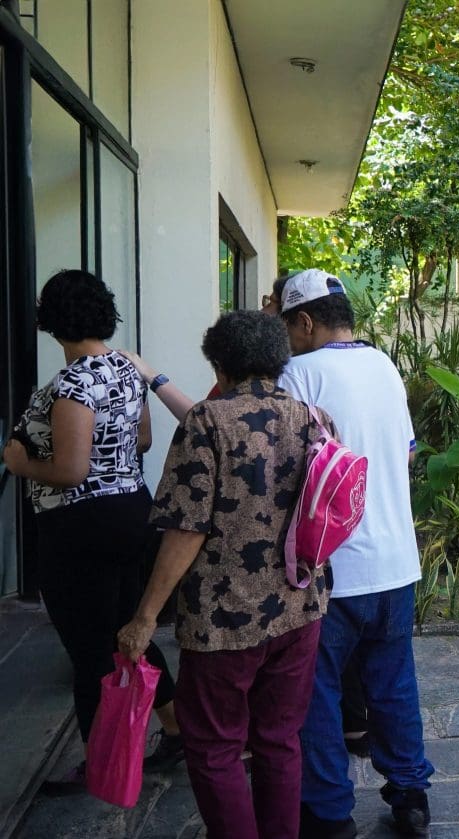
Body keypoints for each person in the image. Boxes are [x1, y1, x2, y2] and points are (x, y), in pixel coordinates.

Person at [117, 310, 332, 839]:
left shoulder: (207, 422)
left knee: (214, 746)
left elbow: (185, 529)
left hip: (223, 619)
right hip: (300, 607)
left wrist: (145, 617)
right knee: (279, 739)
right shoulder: (313, 417)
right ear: (278, 360)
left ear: (220, 363)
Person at [2, 269, 179, 788]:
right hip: (131, 512)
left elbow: (71, 472)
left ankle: (102, 765)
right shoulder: (125, 369)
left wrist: (20, 464)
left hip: (80, 527)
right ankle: (175, 730)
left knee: (88, 650)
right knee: (130, 632)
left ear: (51, 321)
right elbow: (143, 440)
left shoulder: (73, 383)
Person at [275, 269, 433, 838]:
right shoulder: (384, 365)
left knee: (317, 690)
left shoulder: (298, 373)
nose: (286, 337)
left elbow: (283, 468)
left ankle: (328, 810)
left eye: (288, 325)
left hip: (331, 567)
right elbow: (407, 454)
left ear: (307, 320)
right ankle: (410, 794)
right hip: (395, 560)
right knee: (392, 683)